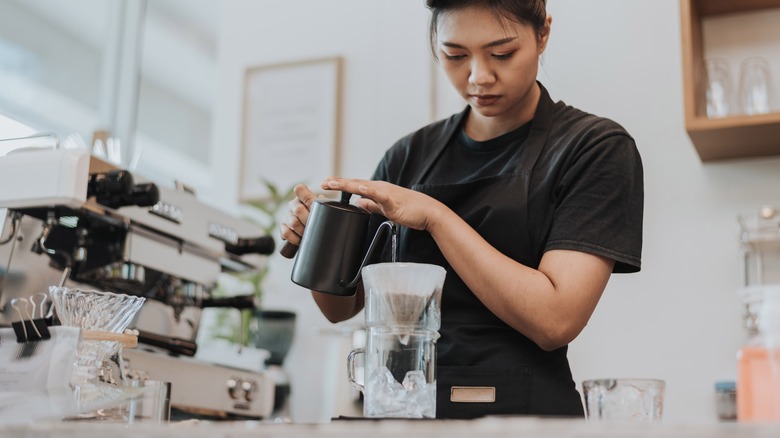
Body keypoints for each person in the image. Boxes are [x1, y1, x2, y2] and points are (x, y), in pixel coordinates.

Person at [280, 0, 643, 419]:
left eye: (502, 54)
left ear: (543, 33)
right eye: (455, 55)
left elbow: (555, 321)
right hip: (405, 413)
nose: (478, 77)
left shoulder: (593, 148)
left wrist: (436, 218)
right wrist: (318, 241)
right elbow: (345, 305)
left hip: (527, 418)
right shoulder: (408, 157)